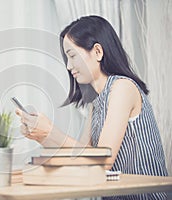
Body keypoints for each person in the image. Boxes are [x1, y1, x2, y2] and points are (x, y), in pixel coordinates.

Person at [16, 15, 168, 200]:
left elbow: (102, 160)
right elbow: (81, 160)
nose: (68, 66)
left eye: (72, 56)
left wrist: (51, 131)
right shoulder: (95, 103)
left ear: (97, 52)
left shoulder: (122, 87)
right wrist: (42, 135)